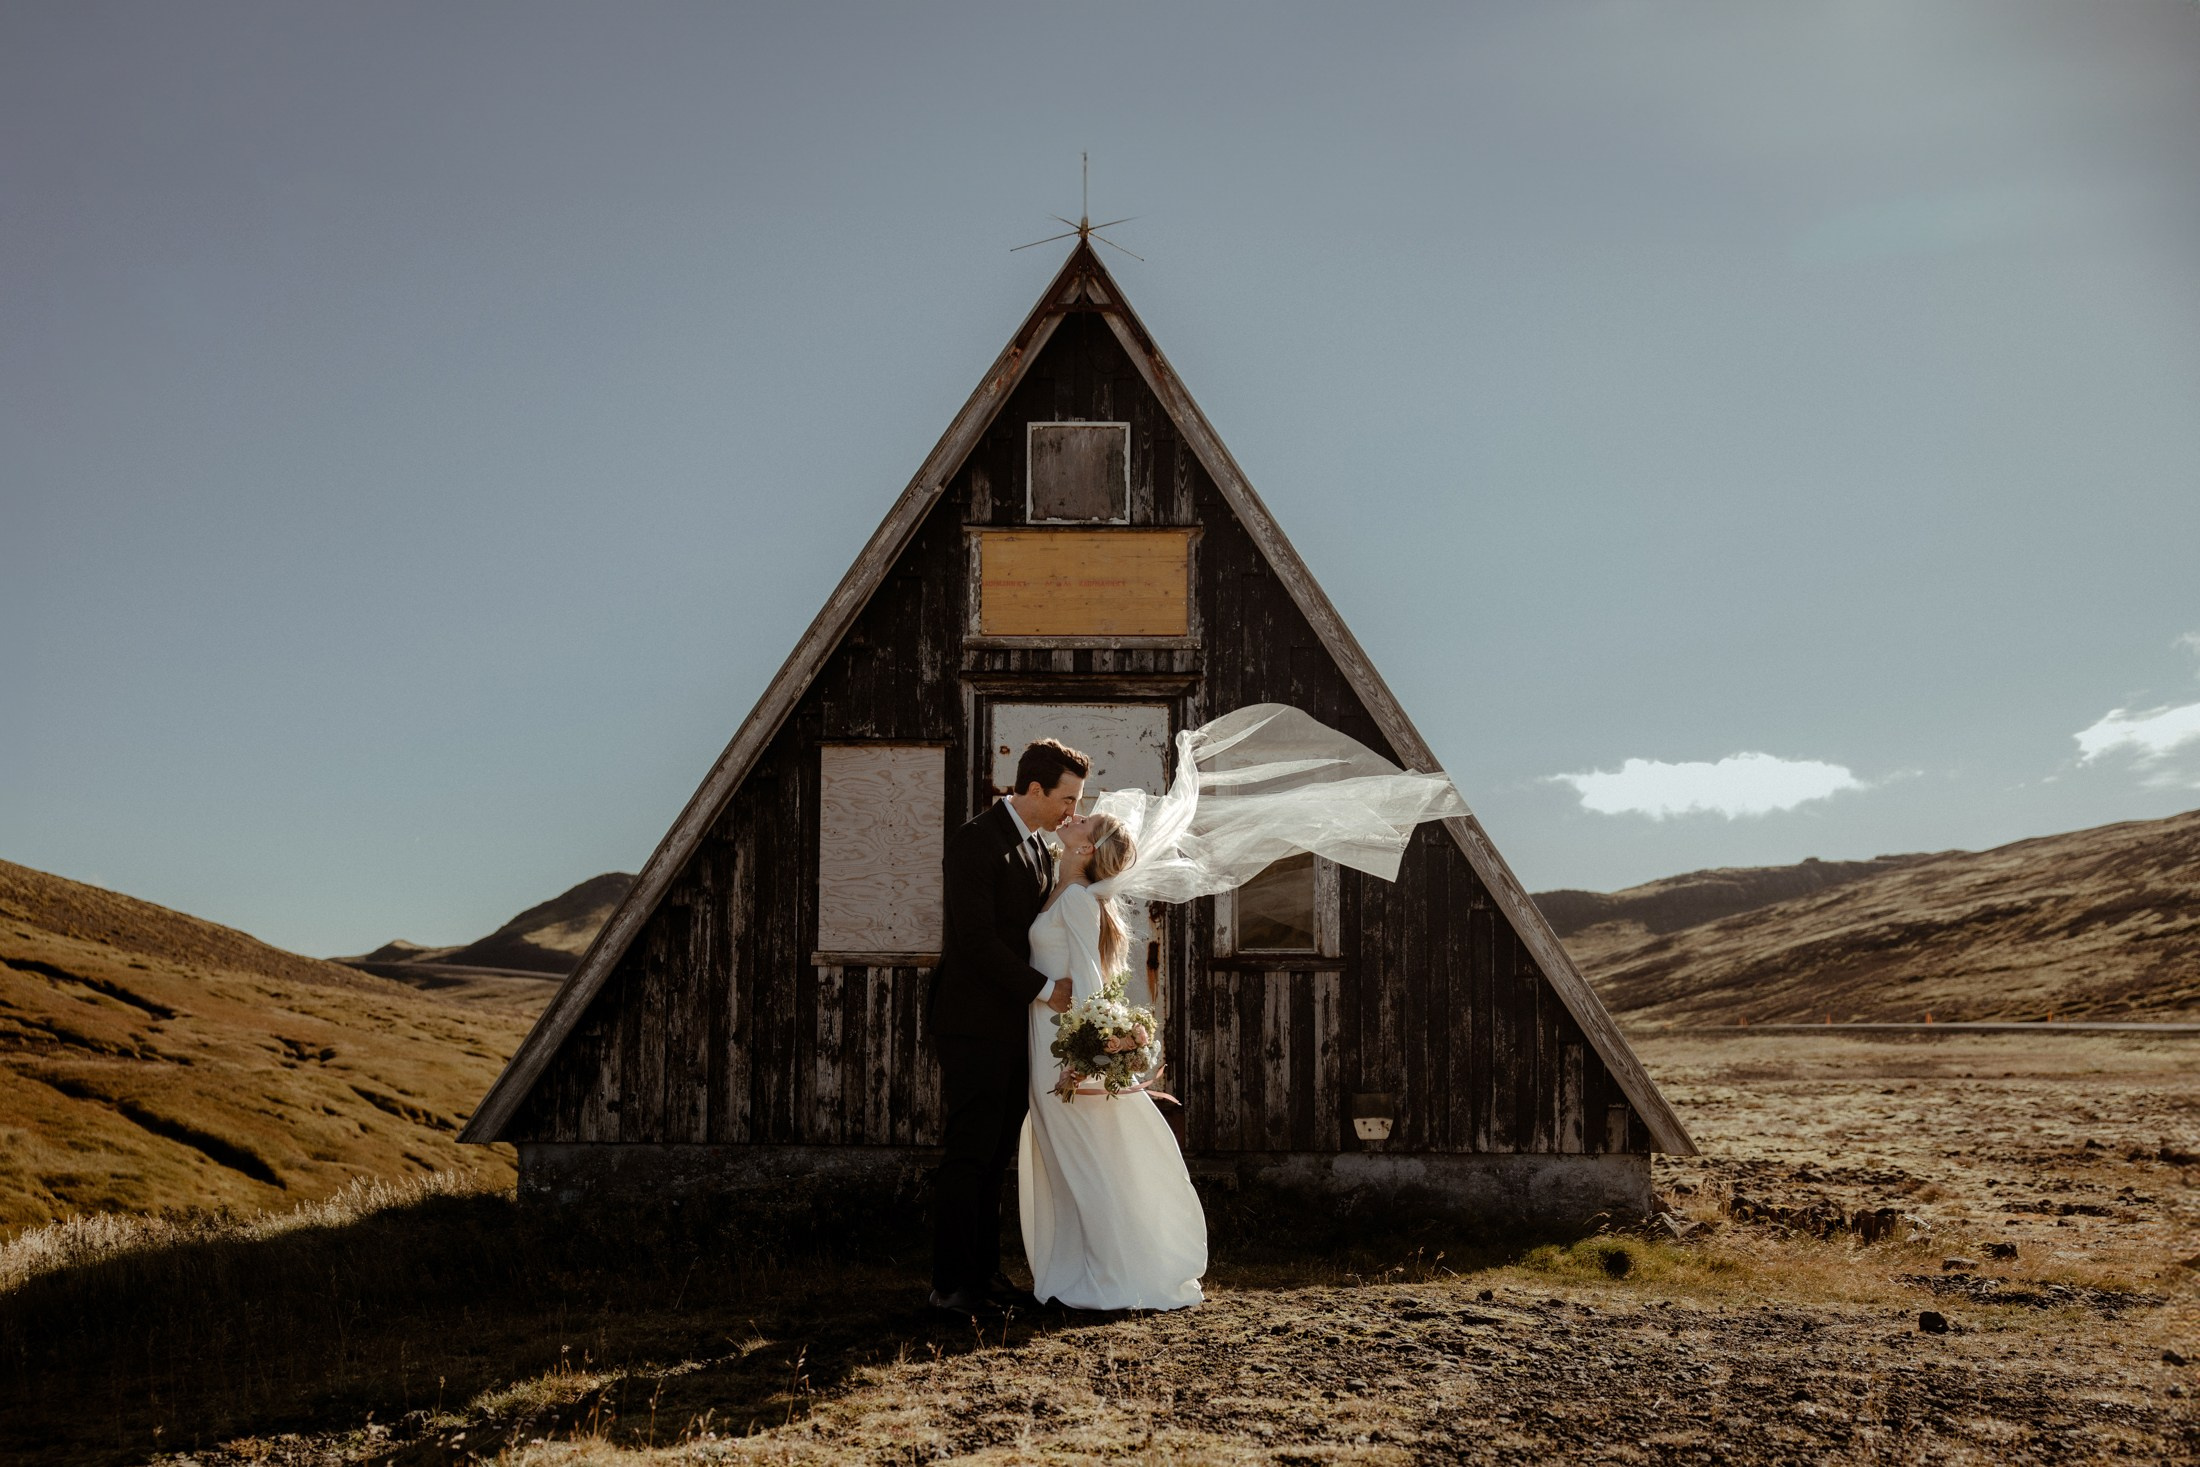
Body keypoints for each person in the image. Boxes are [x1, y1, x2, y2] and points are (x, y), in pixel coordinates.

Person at [1018, 812, 1208, 1311]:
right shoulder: (1060, 890)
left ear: (1087, 849)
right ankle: (1076, 1270)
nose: (1074, 816)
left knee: (1083, 1159)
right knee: (1065, 1157)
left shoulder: (1078, 900)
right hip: (1044, 1036)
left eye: (1086, 821)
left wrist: (1085, 1057)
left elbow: (1088, 979)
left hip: (1061, 1047)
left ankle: (1111, 1275)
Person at [926, 738, 1086, 1314]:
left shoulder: (1039, 847)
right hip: (972, 1023)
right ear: (1034, 789)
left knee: (996, 1155)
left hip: (1015, 1027)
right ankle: (951, 1285)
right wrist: (1046, 990)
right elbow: (975, 940)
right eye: (1068, 799)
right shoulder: (976, 841)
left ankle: (985, 1273)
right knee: (970, 1152)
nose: (1072, 811)